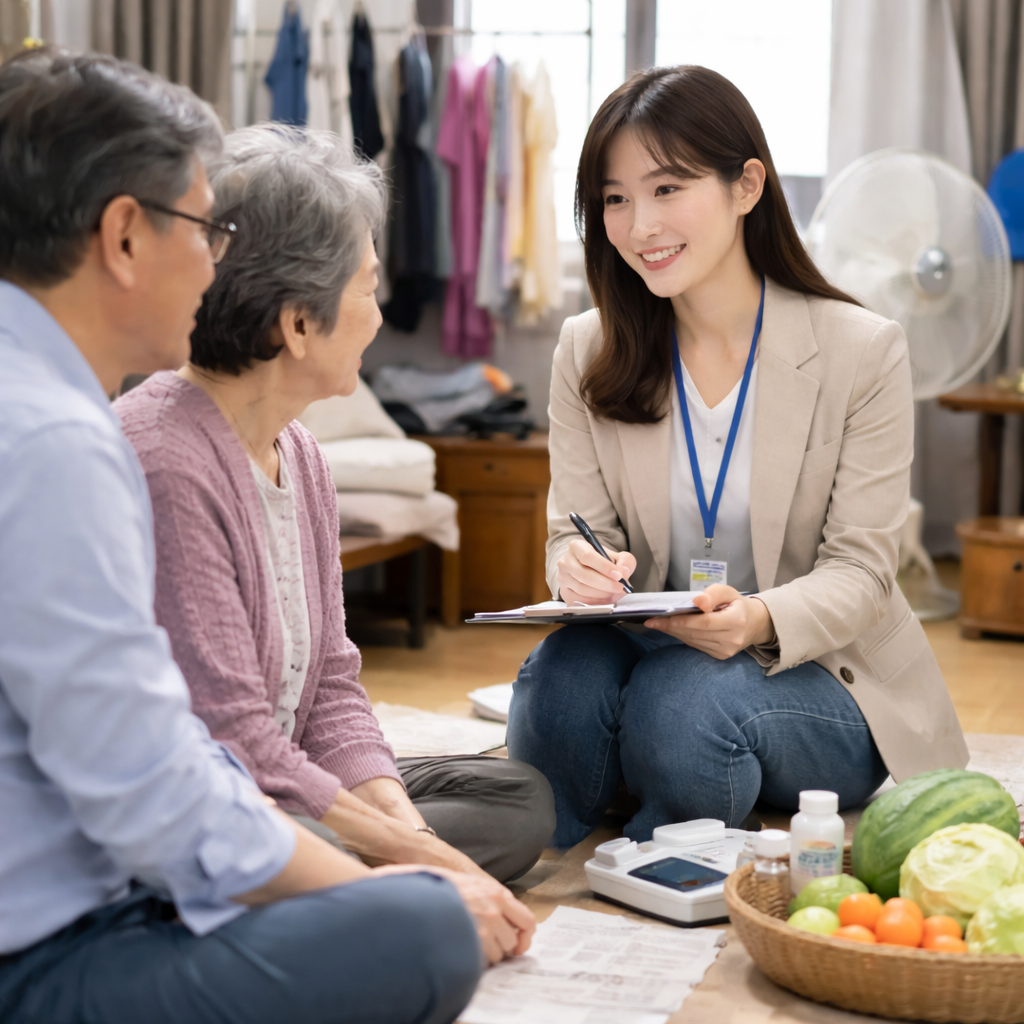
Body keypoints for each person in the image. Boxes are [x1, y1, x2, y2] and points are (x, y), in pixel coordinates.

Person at [0, 49, 534, 1024]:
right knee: (422, 932)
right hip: (55, 944)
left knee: (502, 808)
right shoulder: (67, 442)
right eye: (205, 228)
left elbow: (280, 702)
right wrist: (389, 880)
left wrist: (398, 846)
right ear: (124, 236)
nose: (218, 262)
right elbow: (167, 781)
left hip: (139, 851)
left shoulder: (48, 404)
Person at [507, 66, 968, 849]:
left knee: (680, 702)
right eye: (615, 199)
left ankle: (659, 820)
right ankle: (592, 824)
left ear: (746, 185)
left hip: (820, 672)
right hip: (653, 646)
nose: (639, 225)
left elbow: (861, 572)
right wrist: (574, 571)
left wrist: (757, 617)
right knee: (558, 682)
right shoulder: (588, 348)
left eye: (667, 188)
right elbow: (573, 531)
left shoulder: (861, 350)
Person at [114, 123, 555, 884]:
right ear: (297, 322)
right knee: (424, 876)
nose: (379, 316)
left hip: (284, 787)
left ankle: (358, 877)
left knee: (518, 800)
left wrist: (405, 828)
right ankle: (339, 885)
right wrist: (415, 855)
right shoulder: (165, 461)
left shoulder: (303, 454)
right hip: (205, 808)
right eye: (367, 286)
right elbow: (232, 742)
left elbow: (329, 688)